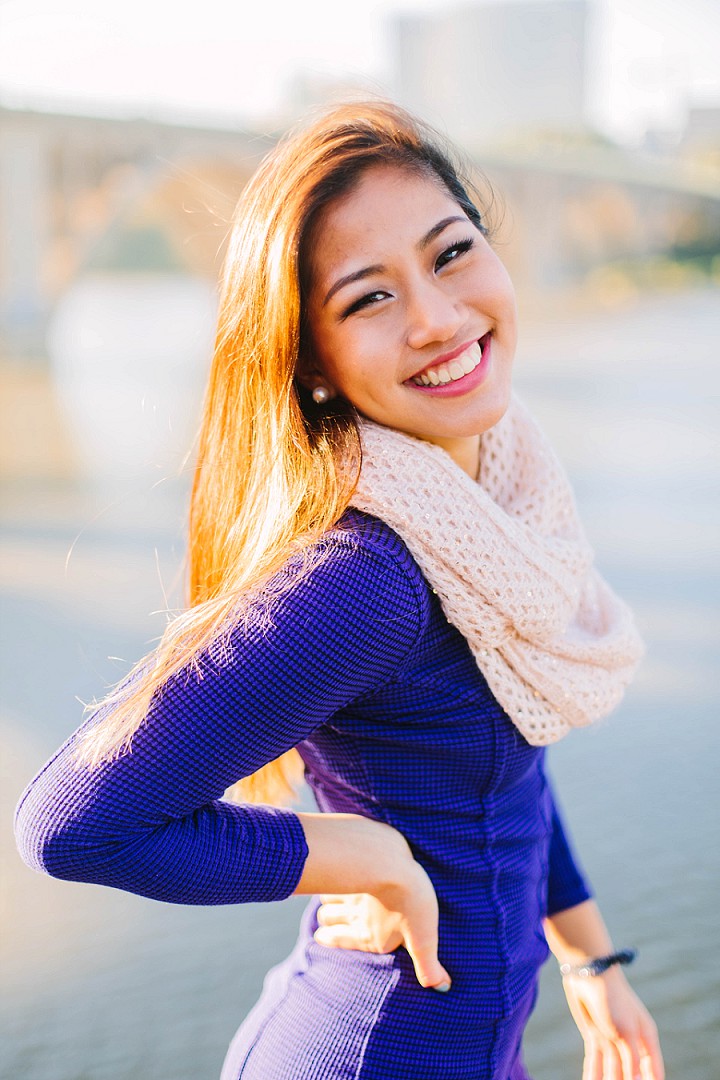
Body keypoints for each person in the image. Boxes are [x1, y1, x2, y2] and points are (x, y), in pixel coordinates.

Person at [14, 100, 664, 1080]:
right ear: (314, 360)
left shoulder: (491, 511)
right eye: (370, 299)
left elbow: (505, 769)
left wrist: (590, 957)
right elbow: (73, 825)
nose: (438, 318)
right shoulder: (370, 581)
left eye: (450, 254)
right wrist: (354, 854)